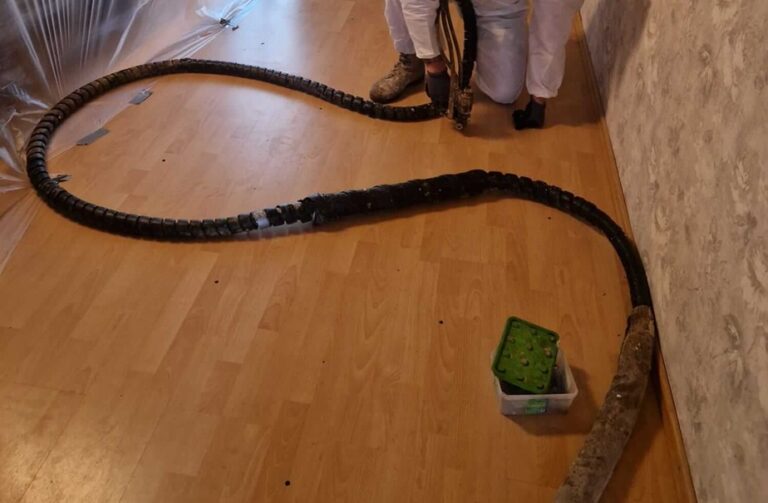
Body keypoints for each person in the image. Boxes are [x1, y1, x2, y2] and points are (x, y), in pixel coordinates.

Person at [370, 0, 584, 129]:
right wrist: (433, 65)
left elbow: (554, 19)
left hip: (497, 7)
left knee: (504, 92)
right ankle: (411, 59)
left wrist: (540, 95)